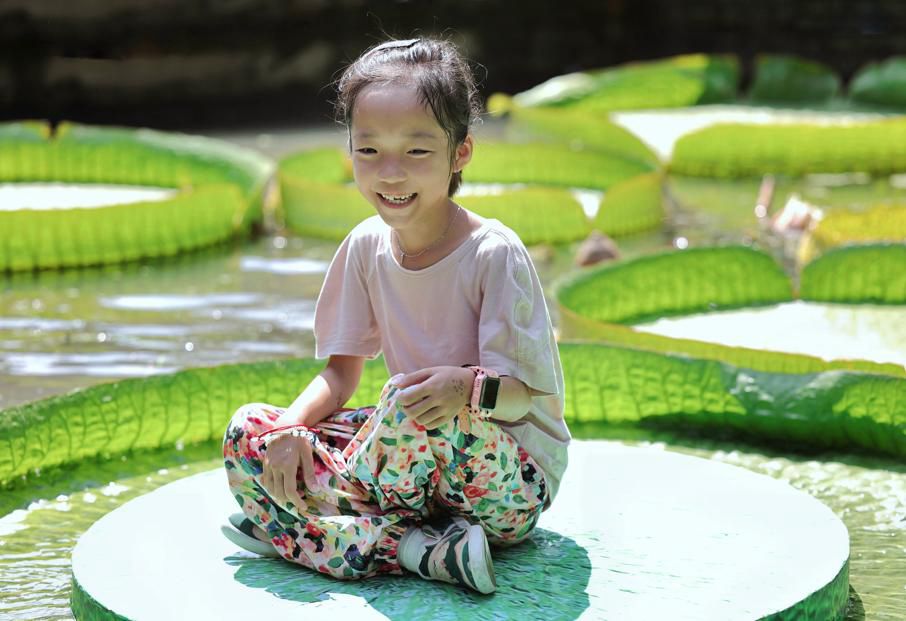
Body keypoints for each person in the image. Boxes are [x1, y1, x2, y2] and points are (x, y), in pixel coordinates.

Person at [221, 37, 569, 595]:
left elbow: (521, 398)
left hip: (505, 485)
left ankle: (304, 527)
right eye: (369, 151)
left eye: (416, 152)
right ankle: (418, 548)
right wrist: (291, 429)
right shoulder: (365, 246)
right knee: (251, 430)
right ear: (350, 152)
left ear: (460, 153)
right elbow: (341, 376)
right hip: (408, 470)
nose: (390, 174)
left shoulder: (493, 253)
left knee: (407, 401)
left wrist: (464, 387)